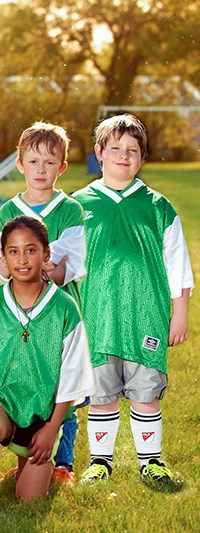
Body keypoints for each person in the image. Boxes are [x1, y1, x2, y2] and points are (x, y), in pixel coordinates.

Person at [73, 114, 193, 491]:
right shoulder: (79, 205)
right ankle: (100, 462)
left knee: (146, 393)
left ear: (142, 157)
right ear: (99, 153)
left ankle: (151, 461)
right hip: (97, 318)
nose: (124, 156)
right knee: (102, 395)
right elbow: (66, 265)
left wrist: (180, 314)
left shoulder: (157, 206)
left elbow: (178, 264)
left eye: (133, 151)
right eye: (116, 149)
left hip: (147, 315)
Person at [0, 216, 94, 507]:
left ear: (46, 254)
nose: (22, 259)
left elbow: (72, 376)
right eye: (13, 251)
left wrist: (51, 429)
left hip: (42, 415)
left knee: (29, 501)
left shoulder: (65, 308)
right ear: (3, 257)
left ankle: (28, 464)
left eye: (31, 250)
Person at [0, 122, 86, 481]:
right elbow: (0, 265)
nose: (41, 170)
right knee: (26, 382)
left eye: (49, 162)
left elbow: (70, 267)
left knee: (63, 386)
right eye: (33, 162)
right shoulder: (8, 211)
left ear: (61, 167)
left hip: (58, 315)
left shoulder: (70, 210)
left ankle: (63, 464)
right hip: (19, 314)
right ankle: (23, 460)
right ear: (20, 164)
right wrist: (41, 264)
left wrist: (36, 268)